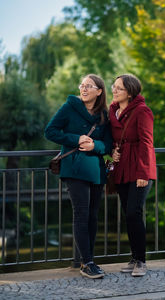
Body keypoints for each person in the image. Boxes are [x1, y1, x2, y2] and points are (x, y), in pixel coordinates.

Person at [45, 74, 112, 279]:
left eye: (88, 86)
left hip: (96, 171)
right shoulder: (69, 107)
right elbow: (50, 131)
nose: (83, 89)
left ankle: (87, 259)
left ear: (99, 91)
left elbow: (108, 144)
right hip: (74, 169)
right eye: (82, 85)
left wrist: (95, 145)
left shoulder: (104, 115)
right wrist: (76, 138)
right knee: (81, 214)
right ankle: (87, 262)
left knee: (92, 216)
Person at [109, 74, 157, 277]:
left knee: (133, 213)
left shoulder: (142, 111)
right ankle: (134, 257)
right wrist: (112, 151)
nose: (114, 90)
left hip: (139, 169)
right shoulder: (113, 111)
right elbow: (112, 138)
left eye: (119, 88)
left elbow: (147, 142)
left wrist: (144, 172)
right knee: (128, 216)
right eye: (114, 86)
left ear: (129, 91)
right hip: (121, 169)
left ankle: (141, 262)